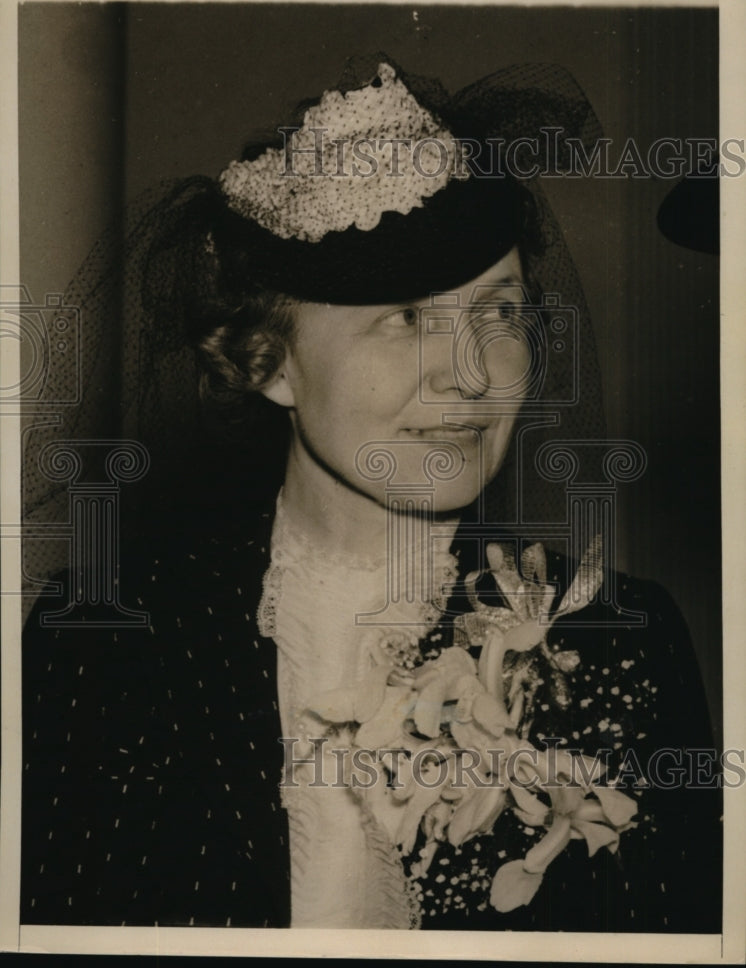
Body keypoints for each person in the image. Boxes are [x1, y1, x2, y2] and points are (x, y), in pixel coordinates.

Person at [21, 56, 721, 932]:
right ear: (265, 361)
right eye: (405, 317)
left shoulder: (623, 646)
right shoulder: (103, 643)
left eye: (501, 312)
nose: (473, 375)